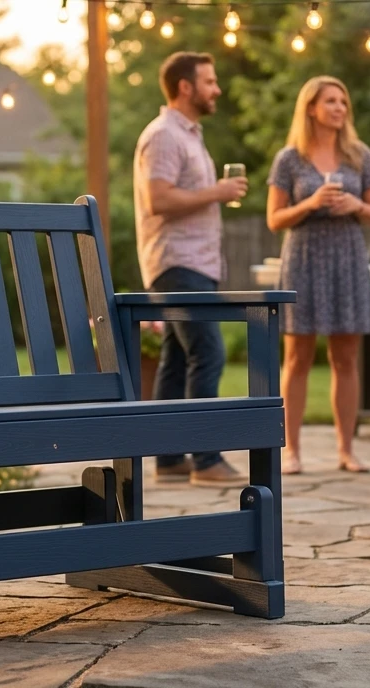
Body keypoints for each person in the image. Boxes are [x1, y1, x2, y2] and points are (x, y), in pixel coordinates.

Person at [134, 51, 248, 486]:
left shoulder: (189, 135)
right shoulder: (164, 135)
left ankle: (169, 460)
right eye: (210, 81)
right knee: (208, 351)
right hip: (176, 261)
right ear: (186, 86)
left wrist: (213, 193)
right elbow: (158, 199)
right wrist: (216, 192)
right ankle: (206, 458)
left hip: (193, 261)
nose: (217, 89)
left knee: (177, 356)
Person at [265, 76, 370, 475]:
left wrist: (354, 204)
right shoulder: (289, 159)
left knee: (345, 357)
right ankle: (291, 450)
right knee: (297, 358)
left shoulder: (360, 155)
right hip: (304, 258)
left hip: (347, 257)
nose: (339, 108)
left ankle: (346, 450)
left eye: (343, 101)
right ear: (311, 108)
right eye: (331, 101)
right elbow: (274, 219)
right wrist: (311, 202)